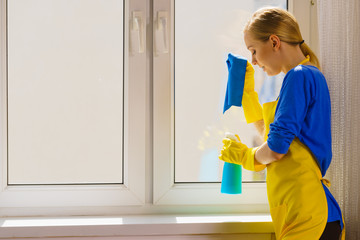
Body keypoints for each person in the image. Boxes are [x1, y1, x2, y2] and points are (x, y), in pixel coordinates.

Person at [219, 7, 345, 240]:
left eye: (254, 51)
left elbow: (276, 150)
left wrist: (243, 156)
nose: (254, 61)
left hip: (308, 214)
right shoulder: (304, 76)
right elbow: (276, 139)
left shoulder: (299, 76)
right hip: (304, 212)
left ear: (275, 42)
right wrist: (249, 98)